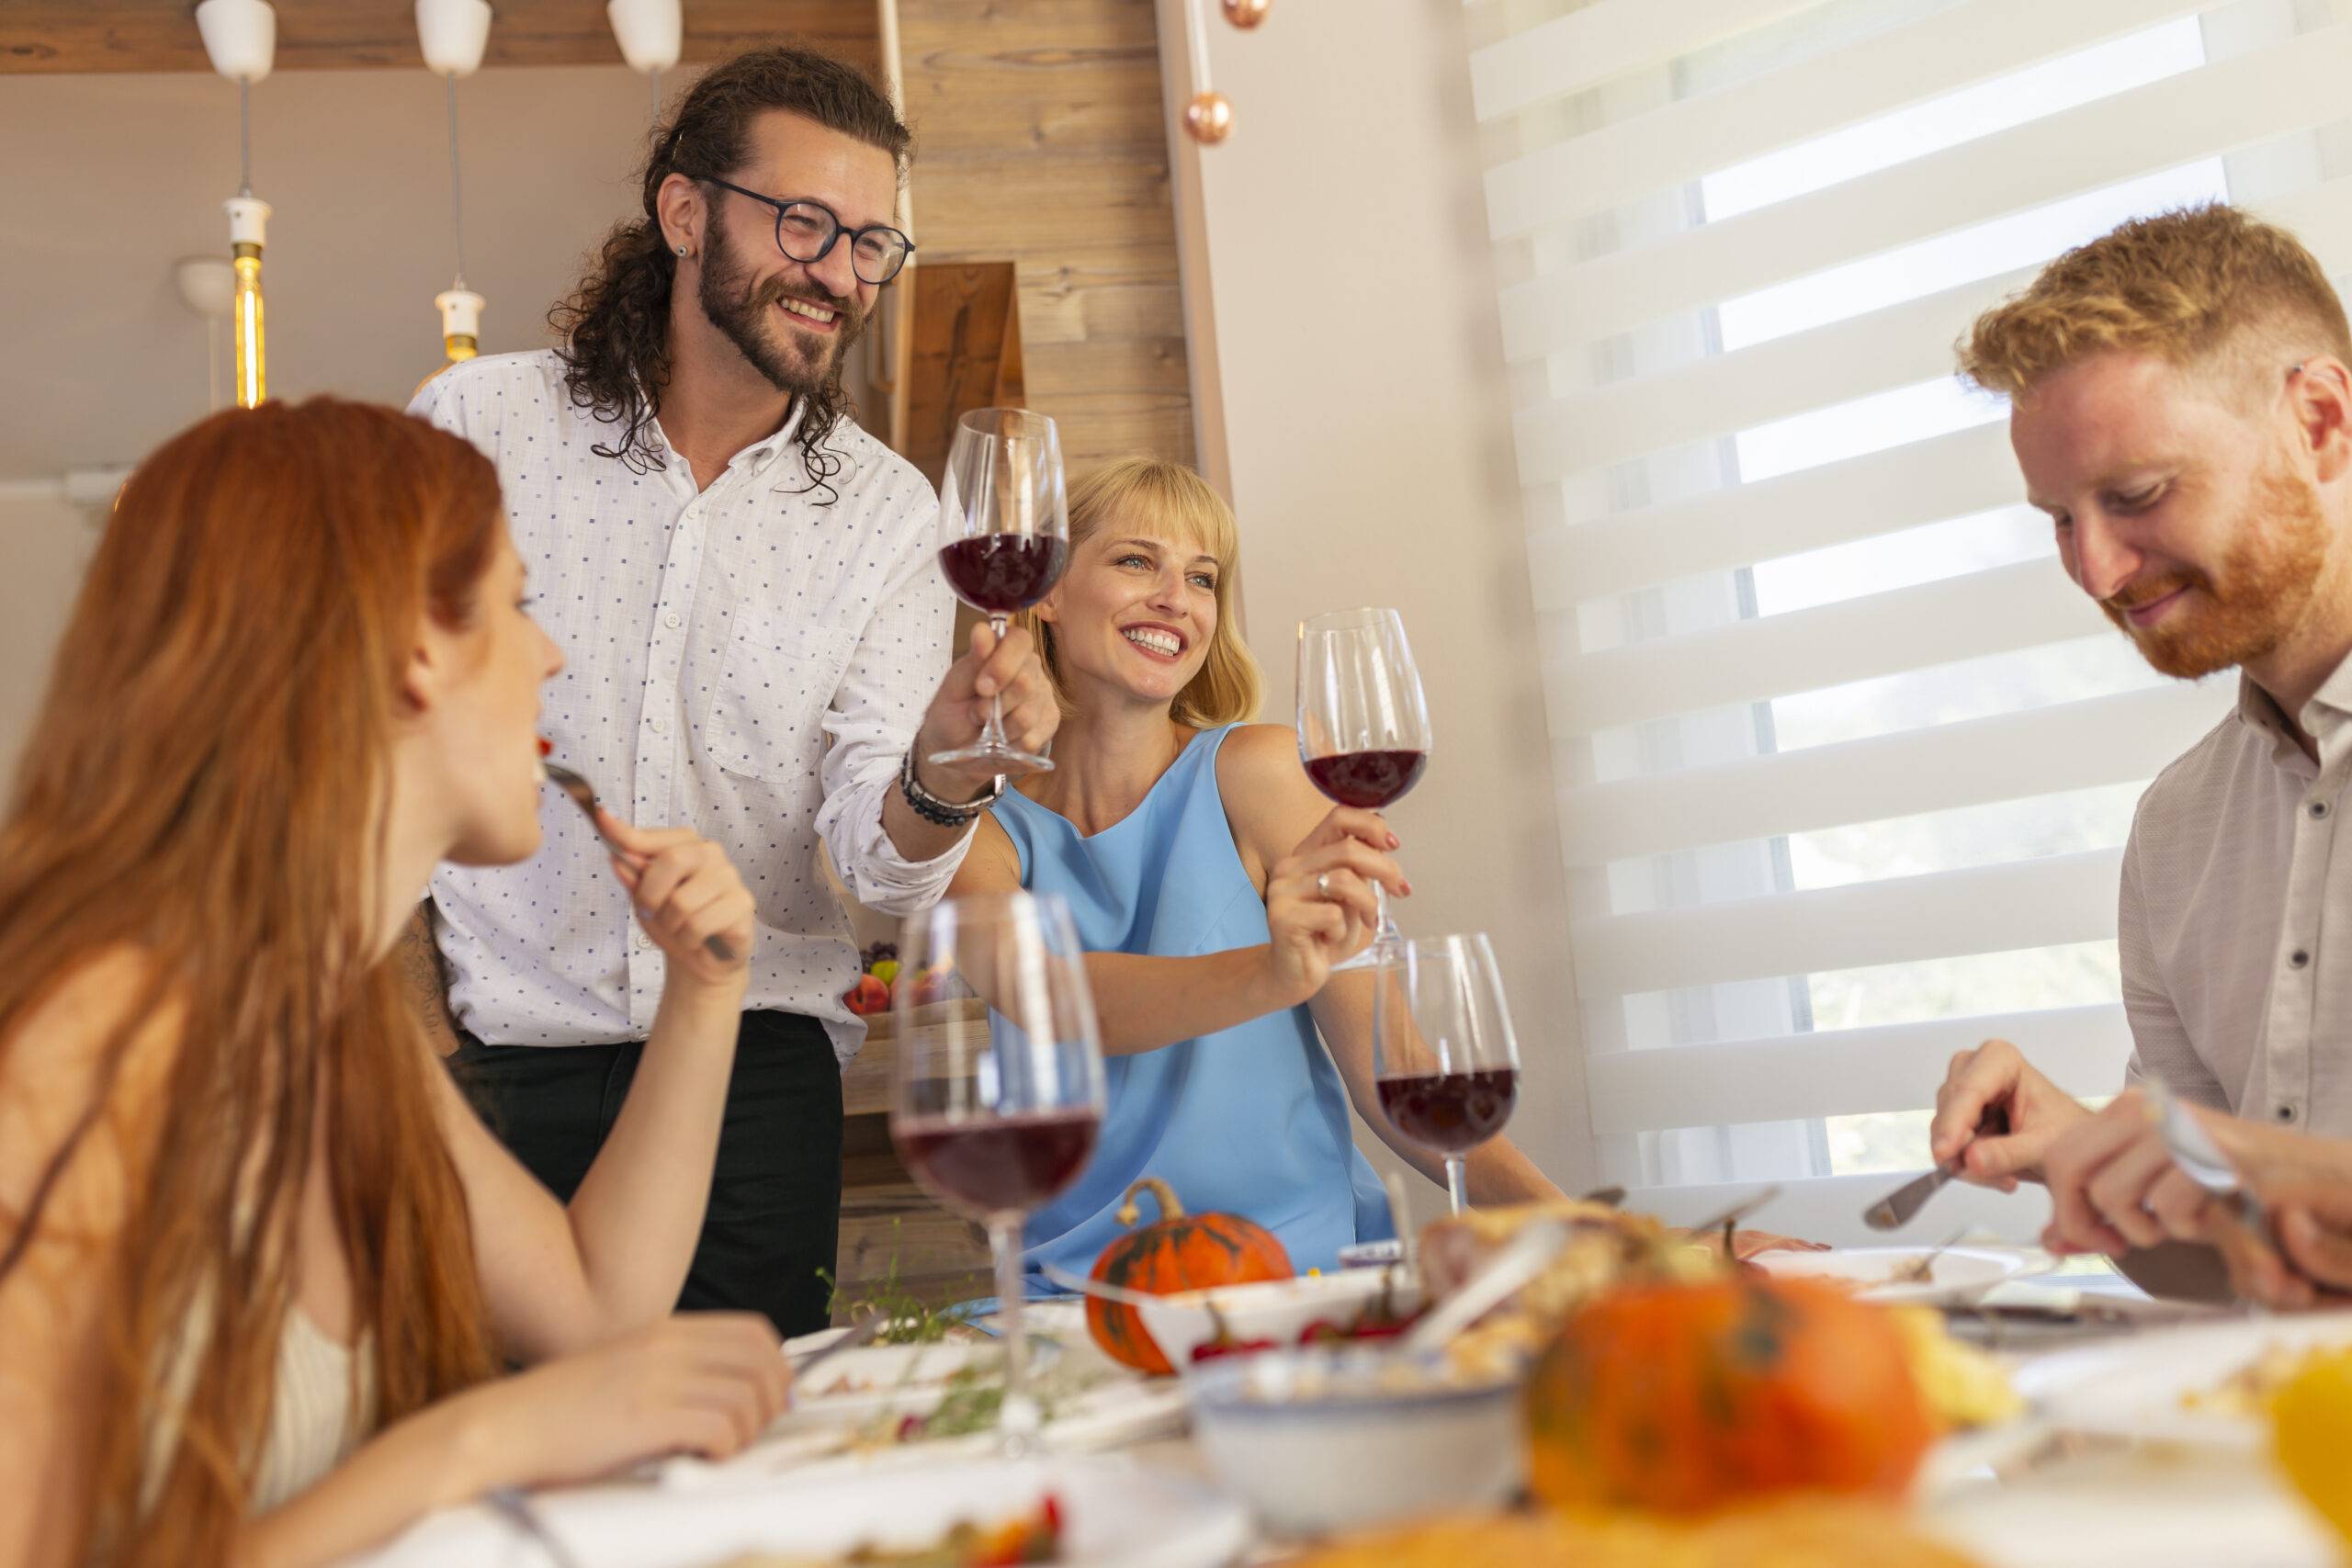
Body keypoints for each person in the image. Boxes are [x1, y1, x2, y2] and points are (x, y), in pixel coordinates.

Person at [0, 400, 791, 1568]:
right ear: (417, 652)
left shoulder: (329, 1024)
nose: (549, 654)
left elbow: (595, 1311)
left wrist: (704, 991)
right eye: (515, 605)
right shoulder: (91, 1046)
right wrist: (469, 1445)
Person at [402, 46, 1057, 1337]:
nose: (840, 272)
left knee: (735, 1468)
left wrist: (942, 768)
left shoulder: (891, 514)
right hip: (491, 1068)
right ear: (685, 212)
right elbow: (370, 734)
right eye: (805, 221)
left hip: (757, 1082)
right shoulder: (476, 426)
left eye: (872, 242)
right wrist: (414, 1035)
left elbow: (871, 872)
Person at [946, 457, 1566, 1283]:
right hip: (1074, 1292)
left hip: (1294, 1270)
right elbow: (1048, 994)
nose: (1176, 597)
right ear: (1047, 594)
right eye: (1137, 561)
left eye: (1202, 578)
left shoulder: (1260, 771)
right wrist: (1273, 972)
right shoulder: (981, 831)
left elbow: (1395, 1078)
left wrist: (1580, 1225)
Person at [1926, 204, 2352, 1281]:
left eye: (2135, 496)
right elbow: (2224, 1273)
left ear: (2318, 421)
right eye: (2059, 519)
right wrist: (2084, 1156)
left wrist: (2310, 1179)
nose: (2098, 574)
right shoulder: (2178, 831)